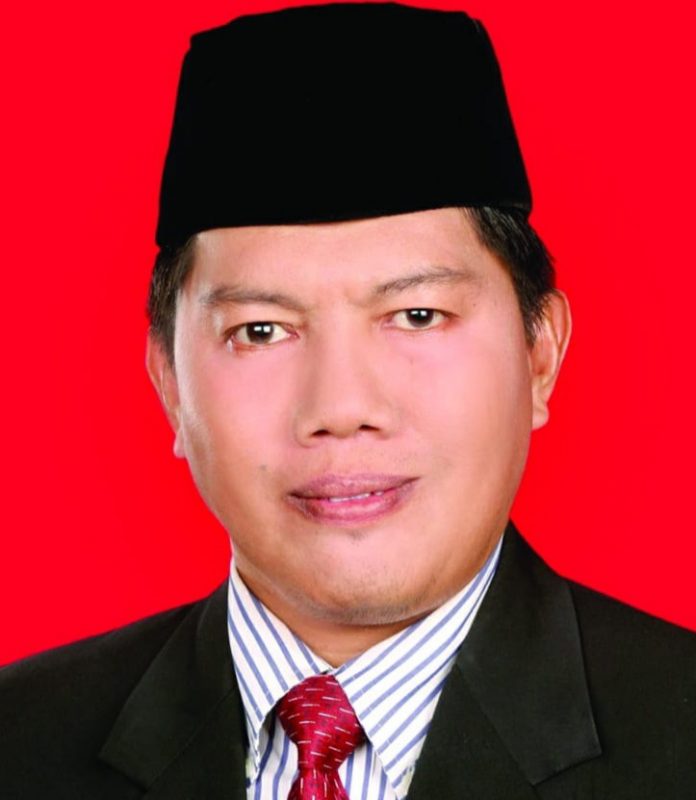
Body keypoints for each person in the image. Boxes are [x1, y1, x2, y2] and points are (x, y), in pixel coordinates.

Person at [1, 3, 694, 798]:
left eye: (417, 316)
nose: (341, 406)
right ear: (169, 382)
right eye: (261, 331)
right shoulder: (20, 743)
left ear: (540, 353)